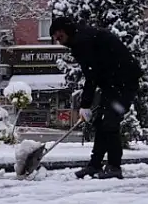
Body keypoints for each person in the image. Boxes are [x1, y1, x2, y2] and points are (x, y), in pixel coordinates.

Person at [49, 17, 142, 180]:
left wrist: (85, 104)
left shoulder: (83, 41)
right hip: (113, 82)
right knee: (101, 122)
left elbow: (91, 75)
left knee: (110, 122)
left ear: (67, 31)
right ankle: (95, 164)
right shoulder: (81, 38)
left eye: (60, 37)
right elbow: (94, 73)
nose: (59, 41)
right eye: (56, 39)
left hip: (124, 81)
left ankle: (114, 166)